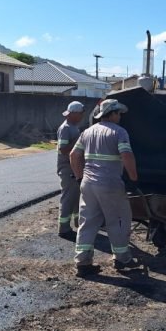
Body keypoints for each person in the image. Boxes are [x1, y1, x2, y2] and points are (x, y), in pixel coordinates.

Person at [70, 98, 141, 276]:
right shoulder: (119, 132)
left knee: (87, 222)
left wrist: (79, 177)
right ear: (113, 113)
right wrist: (133, 179)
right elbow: (127, 155)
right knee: (118, 220)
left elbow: (73, 155)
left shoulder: (87, 132)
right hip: (110, 184)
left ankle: (83, 263)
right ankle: (122, 259)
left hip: (88, 184)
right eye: (119, 114)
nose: (120, 117)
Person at [56, 100, 85, 240]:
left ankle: (78, 223)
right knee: (68, 198)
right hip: (67, 169)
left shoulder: (74, 127)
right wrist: (79, 141)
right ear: (73, 113)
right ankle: (64, 228)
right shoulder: (66, 128)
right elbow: (63, 149)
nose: (81, 116)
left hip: (74, 168)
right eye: (80, 114)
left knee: (76, 198)